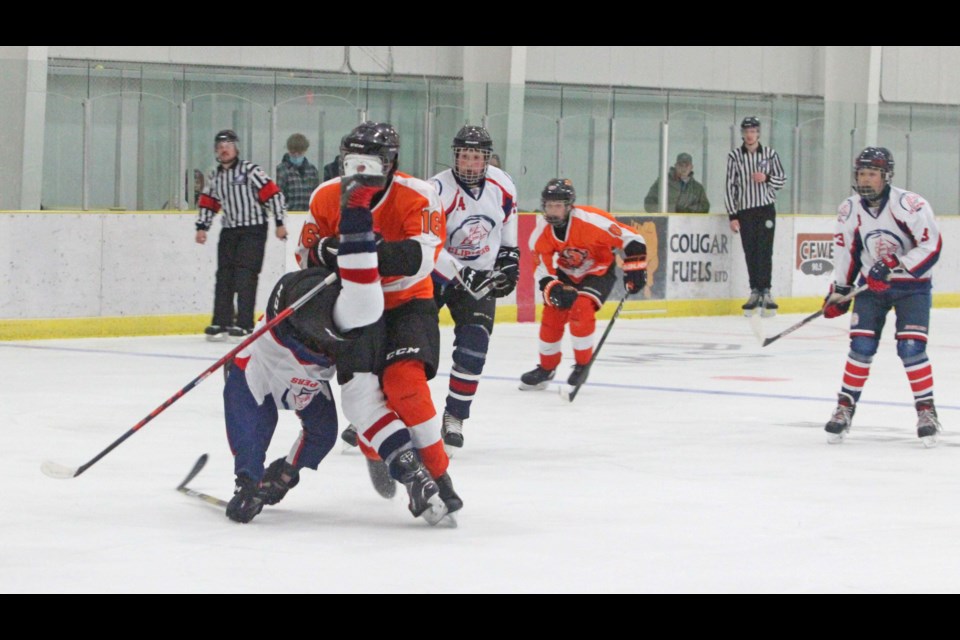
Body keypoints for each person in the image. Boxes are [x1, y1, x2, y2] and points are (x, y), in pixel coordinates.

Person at [296, 121, 462, 519]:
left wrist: (357, 250)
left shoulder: (418, 195)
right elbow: (305, 256)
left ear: (390, 163)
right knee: (363, 398)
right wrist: (329, 250)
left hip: (407, 301)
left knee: (404, 384)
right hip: (352, 308)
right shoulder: (324, 197)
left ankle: (439, 480)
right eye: (352, 162)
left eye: (369, 163)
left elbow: (420, 259)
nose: (360, 172)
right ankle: (381, 450)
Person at [821, 147, 943, 447]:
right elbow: (848, 253)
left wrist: (893, 263)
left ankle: (926, 411)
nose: (865, 180)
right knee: (861, 345)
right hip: (872, 288)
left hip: (912, 287)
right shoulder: (849, 209)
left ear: (886, 176)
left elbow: (932, 247)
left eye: (872, 174)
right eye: (861, 173)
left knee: (911, 348)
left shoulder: (910, 205)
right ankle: (845, 407)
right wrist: (840, 290)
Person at [428, 125, 519, 452]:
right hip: (435, 277)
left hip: (478, 279)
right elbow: (429, 247)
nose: (469, 163)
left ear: (486, 159)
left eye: (475, 157)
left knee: (474, 345)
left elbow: (508, 234)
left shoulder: (503, 184)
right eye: (463, 156)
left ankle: (455, 416)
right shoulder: (436, 190)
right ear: (455, 156)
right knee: (412, 346)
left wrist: (509, 262)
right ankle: (380, 407)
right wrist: (463, 273)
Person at [520, 178, 647, 390]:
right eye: (549, 206)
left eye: (558, 206)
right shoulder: (541, 232)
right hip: (566, 273)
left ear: (569, 206)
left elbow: (632, 238)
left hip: (598, 271)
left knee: (582, 308)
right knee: (552, 315)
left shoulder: (593, 221)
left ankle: (582, 365)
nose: (552, 211)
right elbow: (541, 267)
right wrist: (553, 287)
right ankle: (546, 368)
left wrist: (636, 267)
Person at [195, 129, 288, 341]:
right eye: (220, 147)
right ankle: (221, 321)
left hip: (253, 230)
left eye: (228, 145)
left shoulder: (250, 171)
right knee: (224, 276)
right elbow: (209, 202)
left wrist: (280, 222)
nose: (224, 150)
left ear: (236, 148)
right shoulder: (215, 175)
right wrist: (202, 227)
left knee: (245, 276)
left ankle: (245, 323)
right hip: (229, 230)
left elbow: (273, 194)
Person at [724, 116, 786, 317]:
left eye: (753, 131)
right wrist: (733, 215)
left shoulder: (769, 154)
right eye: (746, 131)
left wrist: (766, 178)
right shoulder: (734, 156)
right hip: (745, 211)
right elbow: (729, 187)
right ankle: (754, 291)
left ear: (758, 133)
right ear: (742, 133)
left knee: (764, 250)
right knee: (750, 251)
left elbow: (781, 180)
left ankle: (766, 291)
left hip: (766, 209)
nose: (750, 135)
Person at [644, 152, 710, 213]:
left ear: (691, 167)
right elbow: (648, 204)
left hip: (689, 224)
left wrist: (687, 210)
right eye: (681, 165)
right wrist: (672, 209)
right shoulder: (663, 183)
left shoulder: (697, 188)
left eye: (686, 165)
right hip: (666, 224)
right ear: (676, 166)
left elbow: (705, 207)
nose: (684, 168)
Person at [275, 133, 321, 211]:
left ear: (305, 151)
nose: (296, 156)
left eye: (299, 153)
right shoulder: (281, 170)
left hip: (308, 215)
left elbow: (316, 195)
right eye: (293, 153)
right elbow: (278, 197)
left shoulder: (312, 170)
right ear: (288, 151)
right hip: (288, 215)